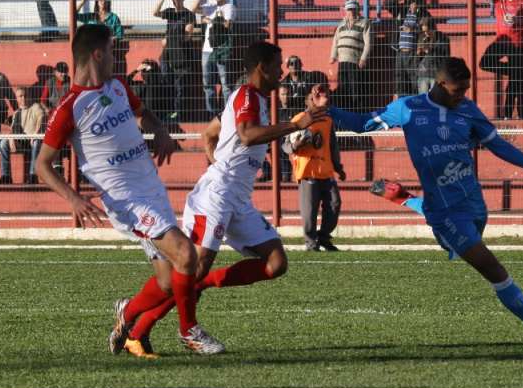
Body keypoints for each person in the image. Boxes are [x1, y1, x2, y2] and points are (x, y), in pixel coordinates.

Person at [327, 57, 523, 346]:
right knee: (493, 269)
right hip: (446, 214)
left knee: (465, 245)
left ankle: (404, 199)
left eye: (466, 90)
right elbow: (360, 124)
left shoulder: (468, 110)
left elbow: (500, 147)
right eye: (458, 91)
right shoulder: (408, 108)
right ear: (440, 84)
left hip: (475, 205)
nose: (462, 96)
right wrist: (326, 109)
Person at [113, 41, 327, 351]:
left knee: (276, 263)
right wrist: (295, 124)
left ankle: (151, 313)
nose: (281, 72)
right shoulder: (246, 97)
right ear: (262, 68)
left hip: (237, 199)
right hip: (215, 197)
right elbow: (247, 134)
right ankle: (135, 321)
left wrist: (219, 161)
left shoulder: (253, 101)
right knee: (192, 269)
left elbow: (209, 134)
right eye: (277, 66)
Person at [36, 23, 223, 358]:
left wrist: (160, 130)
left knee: (168, 282)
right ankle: (189, 331)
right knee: (186, 255)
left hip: (151, 188)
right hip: (127, 201)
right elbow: (42, 165)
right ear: (97, 54)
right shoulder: (69, 107)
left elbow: (143, 113)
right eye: (112, 50)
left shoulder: (119, 86)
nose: (117, 57)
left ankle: (127, 312)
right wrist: (74, 199)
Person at [287, 83, 345, 252]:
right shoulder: (299, 120)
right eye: (317, 97)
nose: (322, 100)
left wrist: (338, 167)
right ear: (309, 100)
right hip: (307, 173)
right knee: (309, 211)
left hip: (326, 171)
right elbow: (286, 146)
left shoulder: (327, 121)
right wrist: (297, 145)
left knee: (334, 204)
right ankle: (311, 243)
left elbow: (332, 145)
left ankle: (324, 237)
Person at [477, 0, 523, 118]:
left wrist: (518, 19)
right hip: (501, 41)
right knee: (484, 62)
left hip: (517, 43)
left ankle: (507, 114)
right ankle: (512, 70)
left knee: (513, 85)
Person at [191, 0, 235, 117]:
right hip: (207, 49)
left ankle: (227, 112)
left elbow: (227, 25)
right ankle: (211, 112)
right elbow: (192, 9)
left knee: (225, 83)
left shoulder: (229, 7)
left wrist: (210, 20)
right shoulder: (209, 6)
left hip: (222, 49)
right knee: (207, 83)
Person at [153, 0, 198, 121]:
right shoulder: (169, 12)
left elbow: (187, 35)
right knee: (166, 80)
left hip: (182, 54)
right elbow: (155, 13)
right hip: (168, 53)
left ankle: (178, 113)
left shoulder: (189, 14)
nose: (176, 1)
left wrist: (170, 38)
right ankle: (168, 111)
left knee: (180, 85)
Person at [0, 86, 47, 185]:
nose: (23, 98)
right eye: (20, 96)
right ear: (17, 98)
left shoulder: (35, 106)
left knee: (37, 142)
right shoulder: (16, 113)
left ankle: (33, 175)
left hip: (34, 141)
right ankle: (6, 176)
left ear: (29, 97)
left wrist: (35, 135)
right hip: (21, 141)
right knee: (3, 143)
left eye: (25, 96)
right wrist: (11, 140)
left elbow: (42, 118)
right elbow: (12, 129)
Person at [384, 0, 428, 99]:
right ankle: (401, 107)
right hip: (400, 52)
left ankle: (415, 106)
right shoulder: (401, 10)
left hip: (414, 53)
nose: (413, 3)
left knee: (414, 82)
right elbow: (386, 4)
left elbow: (427, 30)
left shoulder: (424, 14)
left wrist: (412, 30)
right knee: (400, 82)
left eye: (415, 0)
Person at [329, 0, 371, 108]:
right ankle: (346, 112)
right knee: (343, 89)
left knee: (356, 89)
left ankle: (357, 112)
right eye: (349, 9)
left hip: (355, 61)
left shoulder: (365, 22)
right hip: (342, 61)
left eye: (353, 9)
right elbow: (335, 41)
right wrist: (333, 56)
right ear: (345, 11)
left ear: (358, 10)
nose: (351, 12)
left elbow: (368, 43)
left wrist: (363, 58)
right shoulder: (341, 25)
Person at [416, 17, 450, 94]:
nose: (426, 33)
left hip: (436, 73)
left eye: (427, 31)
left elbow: (444, 55)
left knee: (435, 99)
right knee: (423, 99)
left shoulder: (442, 38)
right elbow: (419, 58)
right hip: (423, 72)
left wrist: (428, 50)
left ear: (433, 28)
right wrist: (419, 53)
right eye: (424, 31)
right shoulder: (422, 37)